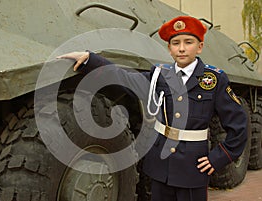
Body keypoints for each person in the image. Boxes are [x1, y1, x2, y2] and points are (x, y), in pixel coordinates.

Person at [57, 16, 247, 201]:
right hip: (160, 165)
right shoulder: (160, 76)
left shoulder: (213, 80)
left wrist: (218, 157)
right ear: (169, 49)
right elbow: (125, 78)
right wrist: (91, 60)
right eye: (175, 43)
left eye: (188, 42)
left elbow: (238, 125)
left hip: (192, 168)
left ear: (200, 47)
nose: (181, 48)